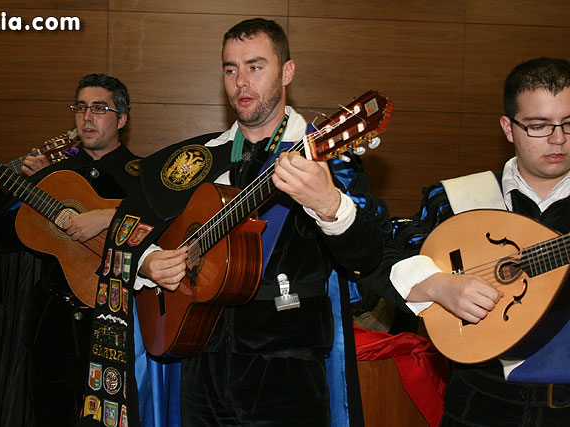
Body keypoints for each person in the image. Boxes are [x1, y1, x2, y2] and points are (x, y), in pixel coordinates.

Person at [80, 18, 386, 427]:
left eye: (255, 66)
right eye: (230, 69)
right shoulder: (196, 158)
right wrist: (148, 261)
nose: (241, 82)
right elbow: (127, 230)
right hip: (199, 358)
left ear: (287, 72)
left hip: (286, 370)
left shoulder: (327, 157)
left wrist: (330, 204)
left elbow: (368, 254)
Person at [360, 56, 570, 426]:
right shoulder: (457, 199)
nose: (558, 139)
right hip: (478, 406)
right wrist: (437, 285)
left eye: (569, 124)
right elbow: (378, 254)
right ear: (508, 127)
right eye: (539, 126)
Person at [0, 73, 141, 427]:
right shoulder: (55, 175)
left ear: (121, 119)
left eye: (99, 108)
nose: (87, 117)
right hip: (51, 328)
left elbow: (161, 230)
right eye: (81, 108)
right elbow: (2, 238)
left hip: (110, 327)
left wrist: (103, 215)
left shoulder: (141, 176)